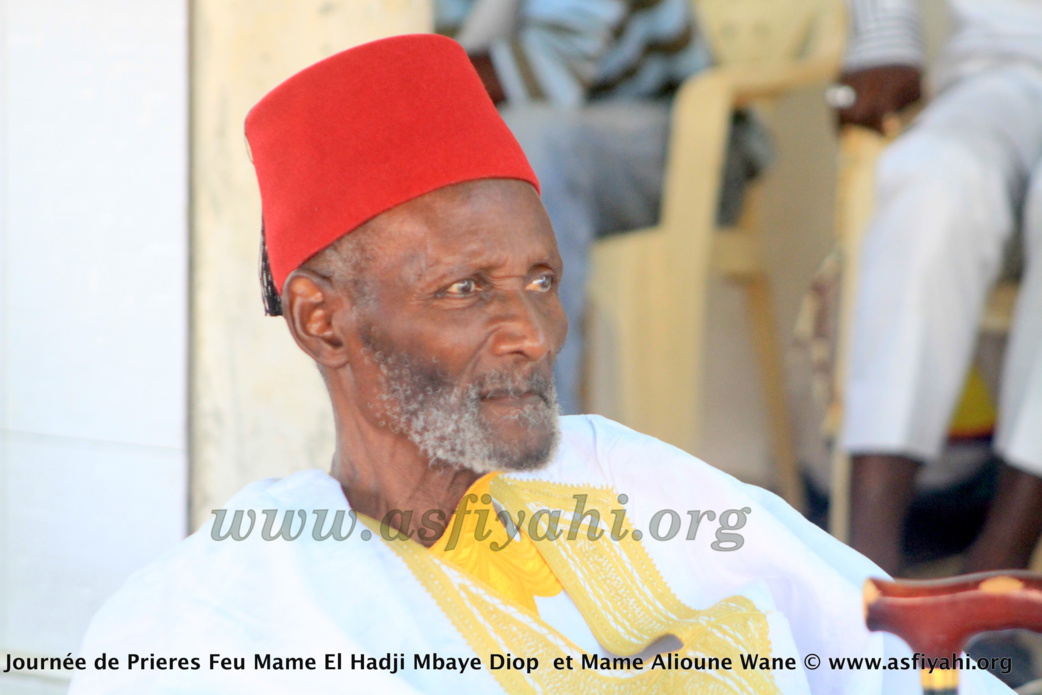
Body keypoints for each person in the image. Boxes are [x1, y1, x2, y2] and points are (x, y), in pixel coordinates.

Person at [70, 35, 1008, 694]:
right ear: (322, 321)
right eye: (465, 289)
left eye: (541, 277)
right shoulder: (228, 608)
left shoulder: (617, 473)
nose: (534, 331)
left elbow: (879, 640)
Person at [436, 0, 768, 414]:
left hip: (692, 150)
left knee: (531, 145)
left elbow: (539, 69)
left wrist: (401, 93)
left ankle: (544, 436)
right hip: (568, 150)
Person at [836, 0, 1042, 575]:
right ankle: (863, 571)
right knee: (927, 178)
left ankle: (1000, 573)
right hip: (998, 67)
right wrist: (882, 39)